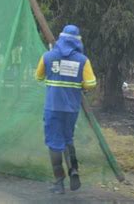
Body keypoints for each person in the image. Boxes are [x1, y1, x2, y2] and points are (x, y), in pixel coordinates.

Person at [35, 25, 97, 194]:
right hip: (71, 109)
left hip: (52, 108)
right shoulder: (83, 60)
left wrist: (53, 71)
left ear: (61, 39)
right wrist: (79, 84)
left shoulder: (47, 56)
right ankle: (74, 170)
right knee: (68, 139)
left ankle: (59, 181)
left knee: (54, 144)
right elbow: (91, 83)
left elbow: (38, 76)